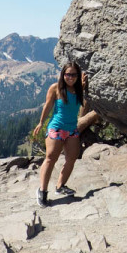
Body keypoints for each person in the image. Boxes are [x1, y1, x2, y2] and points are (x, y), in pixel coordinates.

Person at [33, 61, 86, 207]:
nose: (70, 77)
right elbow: (48, 105)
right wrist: (41, 122)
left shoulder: (79, 88)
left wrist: (82, 82)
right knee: (51, 158)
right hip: (57, 128)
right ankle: (42, 191)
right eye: (68, 74)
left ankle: (60, 186)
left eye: (74, 74)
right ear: (63, 74)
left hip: (72, 129)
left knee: (72, 158)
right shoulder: (55, 88)